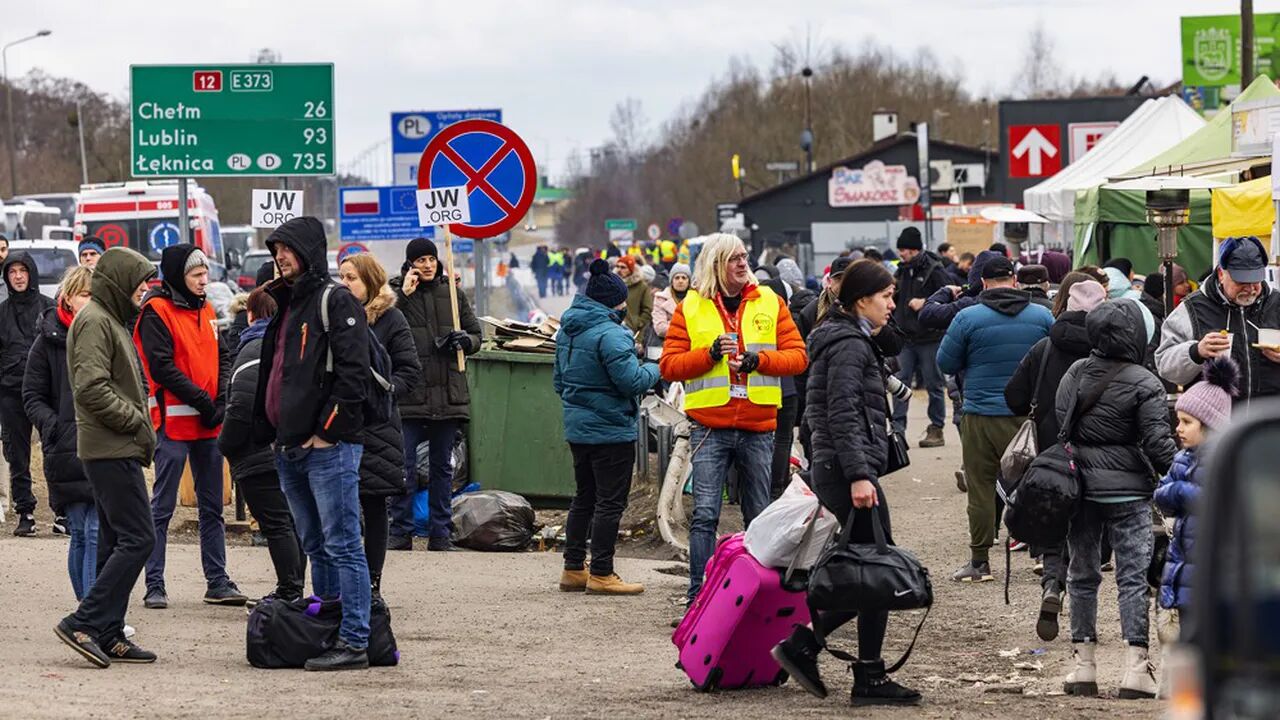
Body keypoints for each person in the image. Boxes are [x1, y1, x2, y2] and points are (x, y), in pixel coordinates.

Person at [770, 259, 921, 706]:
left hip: (841, 467)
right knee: (876, 570)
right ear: (860, 300)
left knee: (875, 568)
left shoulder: (849, 338)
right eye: (886, 296)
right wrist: (859, 474)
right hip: (846, 470)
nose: (892, 304)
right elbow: (839, 414)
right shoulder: (849, 345)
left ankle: (858, 670)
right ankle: (814, 652)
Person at [659, 233, 808, 601]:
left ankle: (761, 594)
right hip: (710, 427)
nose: (743, 264)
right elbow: (669, 366)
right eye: (733, 259)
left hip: (758, 426)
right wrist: (709, 354)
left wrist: (760, 360)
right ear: (715, 265)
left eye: (744, 257)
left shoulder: (770, 302)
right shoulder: (690, 307)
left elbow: (799, 356)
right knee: (705, 515)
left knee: (759, 516)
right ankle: (700, 595)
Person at [253, 216, 373, 671]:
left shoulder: (333, 299)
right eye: (275, 250)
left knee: (343, 544)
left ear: (306, 251)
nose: (279, 257)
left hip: (328, 448)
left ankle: (355, 640)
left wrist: (328, 432)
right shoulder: (286, 303)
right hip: (289, 447)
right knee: (316, 544)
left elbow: (353, 374)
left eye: (286, 249)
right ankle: (326, 629)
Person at [1057, 299, 1177, 700]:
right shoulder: (1146, 381)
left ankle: (1083, 666)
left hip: (1080, 489)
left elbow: (1062, 424)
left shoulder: (1074, 373)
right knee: (1132, 578)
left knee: (1082, 574)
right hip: (1128, 491)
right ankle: (1134, 670)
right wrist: (1181, 476)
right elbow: (1159, 443)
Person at [55, 246, 158, 668]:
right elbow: (91, 388)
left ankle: (110, 632)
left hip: (116, 447)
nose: (146, 289)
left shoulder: (111, 319)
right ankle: (84, 621)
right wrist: (135, 420)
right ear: (119, 282)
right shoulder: (95, 320)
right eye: (140, 282)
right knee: (140, 537)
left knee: (116, 539)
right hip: (110, 447)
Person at [133, 244, 243, 608]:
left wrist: (221, 401)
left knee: (212, 507)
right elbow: (161, 367)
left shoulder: (208, 308)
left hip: (208, 423)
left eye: (205, 274)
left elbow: (223, 354)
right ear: (180, 276)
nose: (203, 280)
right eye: (196, 275)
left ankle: (217, 580)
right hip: (174, 424)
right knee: (162, 507)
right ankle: (154, 584)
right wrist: (203, 400)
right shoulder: (156, 311)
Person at [937, 256, 1053, 583]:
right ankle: (1044, 554)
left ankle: (979, 561)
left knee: (982, 487)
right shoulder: (1042, 315)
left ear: (984, 283)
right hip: (1028, 418)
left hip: (980, 415)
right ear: (1014, 281)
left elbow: (945, 361)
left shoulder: (967, 318)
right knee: (1037, 484)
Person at [1004, 276, 1105, 641]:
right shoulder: (1111, 352)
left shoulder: (1044, 348)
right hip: (1099, 452)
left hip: (1051, 452)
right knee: (1089, 528)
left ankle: (1052, 583)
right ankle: (1084, 616)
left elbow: (1013, 397)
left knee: (1055, 521)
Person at [553, 259, 660, 596]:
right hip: (611, 431)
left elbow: (559, 382)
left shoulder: (568, 330)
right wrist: (658, 369)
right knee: (610, 503)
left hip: (578, 429)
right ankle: (601, 572)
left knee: (584, 497)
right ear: (615, 301)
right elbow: (631, 381)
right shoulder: (612, 333)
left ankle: (573, 568)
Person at [387, 238, 482, 552]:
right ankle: (400, 532)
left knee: (443, 466)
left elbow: (476, 334)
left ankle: (441, 534)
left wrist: (464, 341)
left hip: (447, 392)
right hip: (410, 394)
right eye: (420, 260)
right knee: (404, 464)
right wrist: (403, 296)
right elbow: (380, 326)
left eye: (430, 259)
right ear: (410, 263)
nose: (427, 265)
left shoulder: (452, 293)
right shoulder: (396, 291)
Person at [338, 253, 422, 598]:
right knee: (339, 507)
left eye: (351, 278)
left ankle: (372, 583)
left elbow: (409, 371)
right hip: (341, 423)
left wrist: (384, 393)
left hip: (377, 426)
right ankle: (343, 584)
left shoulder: (391, 318)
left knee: (373, 505)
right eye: (341, 277)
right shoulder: (336, 316)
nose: (344, 284)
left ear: (370, 281)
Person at [218, 287, 305, 604]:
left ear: (251, 314)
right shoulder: (288, 345)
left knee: (277, 524)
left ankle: (289, 590)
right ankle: (293, 588)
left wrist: (226, 445)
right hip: (288, 450)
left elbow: (240, 406)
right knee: (291, 522)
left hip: (258, 454)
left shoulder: (253, 348)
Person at [23, 267, 98, 600]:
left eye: (95, 295)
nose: (91, 301)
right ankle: (91, 613)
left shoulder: (104, 332)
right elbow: (32, 396)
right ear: (68, 297)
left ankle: (93, 614)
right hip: (66, 448)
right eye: (85, 294)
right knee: (83, 532)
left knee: (96, 532)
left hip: (101, 445)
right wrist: (55, 427)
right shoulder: (47, 341)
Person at [1156, 236, 1280, 401]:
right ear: (1221, 274)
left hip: (1269, 420)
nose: (1250, 289)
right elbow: (1165, 365)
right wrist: (1196, 352)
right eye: (1241, 281)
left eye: (1255, 280)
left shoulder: (1276, 303)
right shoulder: (1193, 308)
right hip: (1214, 423)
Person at [0, 251, 54, 536]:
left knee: (54, 450)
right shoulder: (2, 312)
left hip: (46, 394)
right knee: (17, 456)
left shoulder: (49, 308)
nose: (18, 276)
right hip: (11, 393)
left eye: (23, 270)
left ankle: (63, 511)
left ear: (31, 273)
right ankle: (25, 512)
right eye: (12, 271)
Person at [890, 227, 951, 448]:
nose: (901, 254)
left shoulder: (934, 269)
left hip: (929, 338)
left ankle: (936, 428)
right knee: (900, 384)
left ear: (915, 249)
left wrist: (924, 302)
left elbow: (949, 295)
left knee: (934, 385)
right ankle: (898, 431)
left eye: (904, 250)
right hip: (905, 339)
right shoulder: (902, 271)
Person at [614, 255, 652, 339]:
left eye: (623, 267)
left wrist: (638, 323)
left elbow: (647, 309)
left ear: (630, 269)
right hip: (613, 327)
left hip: (632, 329)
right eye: (617, 266)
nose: (619, 269)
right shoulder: (612, 284)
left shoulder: (642, 286)